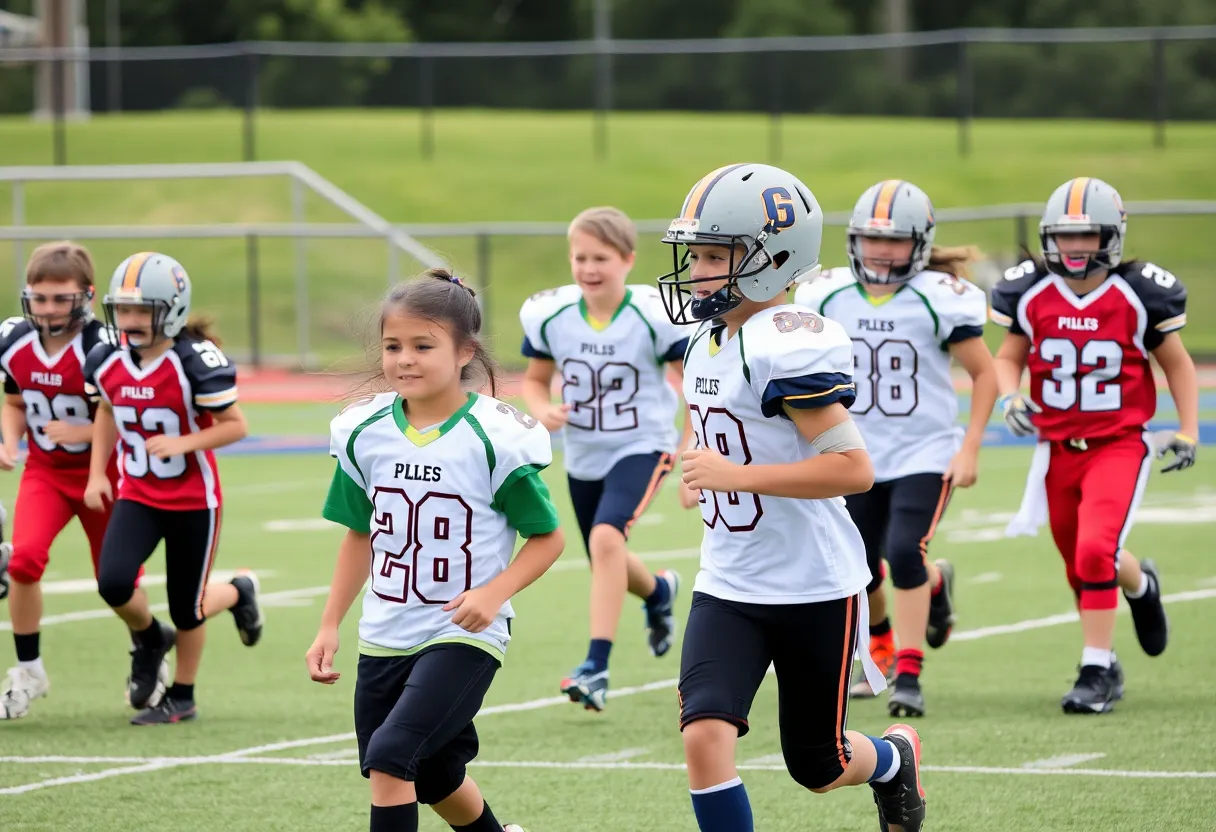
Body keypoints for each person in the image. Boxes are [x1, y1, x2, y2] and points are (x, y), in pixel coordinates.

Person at [659, 162, 925, 832]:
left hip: (812, 583)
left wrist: (734, 475)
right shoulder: (704, 340)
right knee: (703, 735)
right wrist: (700, 463)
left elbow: (852, 468)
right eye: (697, 254)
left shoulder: (788, 342)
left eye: (717, 255)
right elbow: (719, 419)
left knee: (819, 764)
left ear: (771, 261)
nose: (698, 270)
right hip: (729, 580)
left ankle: (893, 762)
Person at [307, 270, 560, 832]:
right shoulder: (362, 430)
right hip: (385, 629)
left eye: (423, 346)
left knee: (392, 757)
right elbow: (359, 532)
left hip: (462, 631)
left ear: (465, 350)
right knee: (436, 773)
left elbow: (548, 537)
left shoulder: (494, 436)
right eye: (394, 346)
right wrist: (330, 625)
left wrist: (495, 593)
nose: (405, 359)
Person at [795, 180, 999, 717]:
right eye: (871, 239)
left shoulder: (939, 297)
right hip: (853, 453)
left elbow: (984, 373)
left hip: (924, 451)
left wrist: (970, 446)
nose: (881, 251)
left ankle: (907, 670)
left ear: (922, 244)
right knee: (859, 563)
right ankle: (891, 630)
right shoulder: (826, 294)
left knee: (905, 550)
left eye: (895, 241)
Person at [991, 176, 1192, 714]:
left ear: (1113, 235)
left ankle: (1096, 668)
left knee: (1093, 550)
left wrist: (1188, 429)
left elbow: (1178, 364)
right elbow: (1007, 357)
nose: (1076, 247)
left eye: (1089, 235)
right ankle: (1142, 585)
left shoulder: (1137, 291)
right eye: (1065, 235)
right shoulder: (1031, 290)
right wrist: (1010, 397)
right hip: (1056, 448)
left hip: (1118, 443)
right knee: (1080, 562)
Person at [518, 207, 694, 711]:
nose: (589, 267)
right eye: (580, 257)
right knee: (604, 555)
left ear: (628, 260)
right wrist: (541, 408)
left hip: (644, 442)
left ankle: (595, 666)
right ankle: (659, 592)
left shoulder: (654, 314)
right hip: (585, 449)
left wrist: (689, 450)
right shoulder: (552, 314)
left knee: (605, 537)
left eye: (601, 257)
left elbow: (697, 387)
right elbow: (534, 378)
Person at [83, 251, 263, 725]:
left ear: (172, 309)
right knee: (113, 581)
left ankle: (183, 694)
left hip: (192, 500)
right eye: (123, 309)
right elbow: (105, 411)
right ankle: (148, 638)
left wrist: (184, 441)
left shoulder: (193, 360)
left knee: (189, 606)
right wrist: (98, 473)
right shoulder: (106, 358)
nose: (131, 319)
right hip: (137, 493)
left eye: (143, 310)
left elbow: (235, 425)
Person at [0, 242, 133, 720]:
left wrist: (84, 431)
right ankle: (29, 668)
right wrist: (9, 442)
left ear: (86, 296)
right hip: (46, 472)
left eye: (61, 299)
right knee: (24, 561)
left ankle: (146, 645)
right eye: (40, 298)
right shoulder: (14, 340)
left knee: (118, 584)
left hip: (105, 474)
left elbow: (123, 411)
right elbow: (15, 403)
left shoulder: (104, 346)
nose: (49, 309)